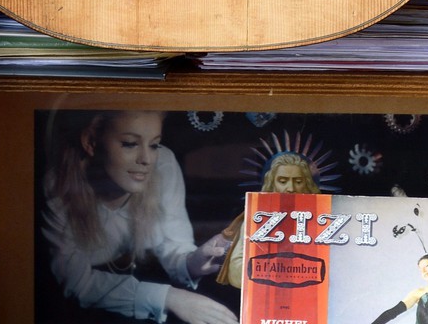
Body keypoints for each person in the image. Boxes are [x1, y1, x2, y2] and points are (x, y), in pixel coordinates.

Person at [40, 109, 236, 324]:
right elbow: (76, 283)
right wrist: (169, 297)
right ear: (90, 142)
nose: (146, 159)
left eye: (153, 145)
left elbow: (173, 245)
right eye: (129, 144)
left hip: (138, 283)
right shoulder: (57, 186)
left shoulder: (164, 165)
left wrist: (194, 261)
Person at [217, 151, 320, 288]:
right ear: (272, 182)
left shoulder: (322, 220)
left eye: (298, 181)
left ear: (307, 183)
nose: (290, 188)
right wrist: (279, 270)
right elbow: (236, 275)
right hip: (265, 298)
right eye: (282, 181)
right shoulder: (256, 220)